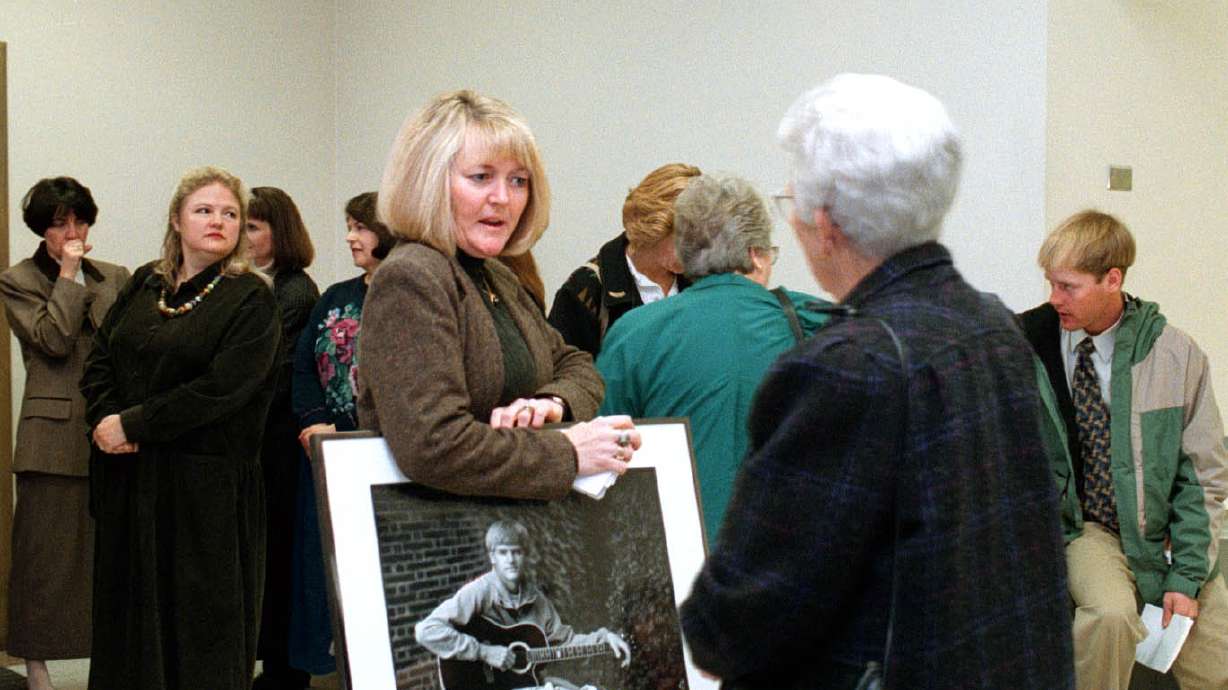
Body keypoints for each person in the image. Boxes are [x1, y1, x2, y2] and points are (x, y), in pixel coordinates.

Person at [679, 74, 1073, 689]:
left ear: (826, 223)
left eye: (790, 203)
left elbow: (734, 625)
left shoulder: (846, 367)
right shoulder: (994, 327)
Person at [358, 89, 638, 501]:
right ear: (429, 183)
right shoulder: (412, 277)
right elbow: (433, 444)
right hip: (441, 530)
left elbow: (575, 363)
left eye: (518, 180)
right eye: (481, 177)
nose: (503, 198)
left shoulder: (494, 276)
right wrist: (567, 452)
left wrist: (551, 402)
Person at [80, 166, 280, 690]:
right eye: (204, 210)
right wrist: (105, 419)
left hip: (203, 493)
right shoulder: (146, 281)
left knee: (196, 632)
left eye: (231, 214)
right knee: (127, 628)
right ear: (176, 219)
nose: (218, 221)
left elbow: (221, 389)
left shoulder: (251, 298)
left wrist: (134, 424)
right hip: (130, 481)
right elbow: (101, 357)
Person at [1018, 210, 1228, 690]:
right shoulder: (1031, 345)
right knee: (1109, 618)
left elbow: (1204, 476)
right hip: (1087, 529)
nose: (1054, 299)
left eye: (1068, 287)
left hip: (1164, 528)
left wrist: (1187, 577)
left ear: (1112, 280)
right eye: (1051, 284)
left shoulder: (1175, 355)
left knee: (1216, 659)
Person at [596, 173, 829, 539]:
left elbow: (602, 466)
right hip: (786, 553)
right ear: (755, 255)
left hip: (674, 553)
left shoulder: (633, 334)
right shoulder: (818, 323)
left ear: (685, 255)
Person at [0, 177, 129, 690]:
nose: (72, 233)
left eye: (80, 221)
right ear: (42, 229)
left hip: (113, 430)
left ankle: (112, 661)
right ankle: (35, 665)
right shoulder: (17, 279)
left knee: (111, 556)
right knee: (43, 558)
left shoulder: (117, 276)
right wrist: (69, 275)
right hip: (50, 438)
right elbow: (53, 339)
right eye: (59, 224)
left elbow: (128, 345)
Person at [286, 191, 395, 679]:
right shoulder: (334, 297)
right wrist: (313, 421)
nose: (350, 237)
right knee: (322, 568)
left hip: (388, 457)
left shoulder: (410, 293)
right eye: (349, 226)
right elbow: (303, 365)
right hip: (328, 453)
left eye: (360, 227)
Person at [245, 186, 320, 690]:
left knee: (279, 557)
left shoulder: (294, 291)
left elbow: (272, 373)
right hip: (261, 442)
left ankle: (282, 672)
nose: (244, 236)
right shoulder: (259, 285)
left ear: (279, 232)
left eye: (253, 226)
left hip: (279, 444)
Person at [416, 520, 630, 689]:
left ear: (525, 555)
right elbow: (426, 631)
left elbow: (565, 641)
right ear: (492, 557)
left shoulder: (536, 599)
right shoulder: (479, 591)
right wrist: (484, 652)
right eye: (503, 552)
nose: (510, 559)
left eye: (516, 552)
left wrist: (604, 638)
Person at [548, 163, 701, 357]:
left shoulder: (702, 281)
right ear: (654, 228)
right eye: (687, 237)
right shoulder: (586, 289)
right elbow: (561, 368)